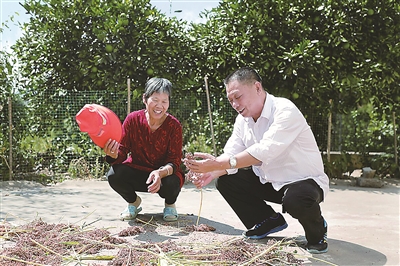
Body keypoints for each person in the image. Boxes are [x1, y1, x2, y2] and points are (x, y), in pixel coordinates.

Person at [184, 67, 329, 254]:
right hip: (269, 180)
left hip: (303, 182)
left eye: (238, 97)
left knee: (296, 200)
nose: (235, 104)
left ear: (257, 87)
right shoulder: (242, 120)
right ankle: (266, 221)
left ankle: (317, 231)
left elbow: (264, 151)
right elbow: (231, 154)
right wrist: (210, 172)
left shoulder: (285, 110)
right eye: (230, 100)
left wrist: (219, 164)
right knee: (226, 180)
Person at [104, 77, 184, 222]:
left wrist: (160, 172)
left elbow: (175, 160)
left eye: (164, 101)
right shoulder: (132, 119)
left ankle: (170, 205)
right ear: (145, 99)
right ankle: (133, 202)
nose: (159, 105)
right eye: (155, 100)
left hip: (163, 176)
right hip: (137, 171)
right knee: (114, 174)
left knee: (173, 181)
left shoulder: (174, 126)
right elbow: (123, 150)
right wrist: (113, 154)